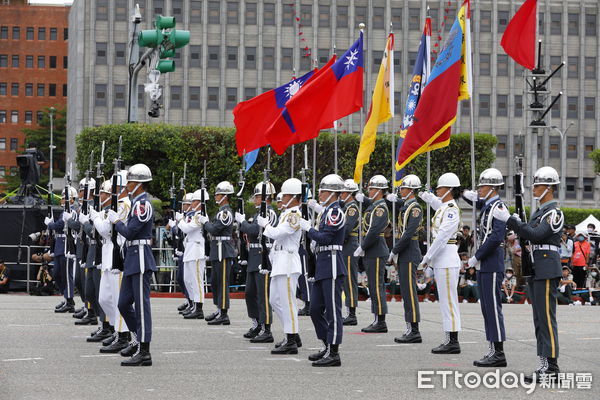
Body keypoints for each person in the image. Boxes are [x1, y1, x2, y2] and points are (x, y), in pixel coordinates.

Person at [494, 166, 564, 382]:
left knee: (546, 319)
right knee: (538, 319)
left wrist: (512, 220)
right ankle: (544, 363)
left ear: (549, 188)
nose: (534, 188)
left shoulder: (554, 213)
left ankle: (551, 367)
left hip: (546, 268)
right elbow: (528, 234)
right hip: (536, 268)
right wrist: (517, 223)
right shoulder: (539, 212)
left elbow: (535, 234)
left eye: (538, 184)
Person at [107, 163, 157, 367]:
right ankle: (138, 339)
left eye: (129, 181)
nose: (127, 184)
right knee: (123, 303)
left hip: (141, 257)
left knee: (142, 306)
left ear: (138, 183)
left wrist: (117, 222)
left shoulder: (142, 204)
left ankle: (144, 351)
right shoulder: (136, 203)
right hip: (132, 257)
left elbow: (131, 231)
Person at [298, 175, 346, 367]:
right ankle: (327, 344)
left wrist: (308, 229)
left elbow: (326, 238)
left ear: (333, 193)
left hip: (332, 263)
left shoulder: (335, 213)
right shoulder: (326, 212)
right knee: (316, 309)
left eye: (323, 191)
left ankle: (334, 352)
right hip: (322, 264)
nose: (320, 194)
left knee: (333, 311)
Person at [463, 168, 508, 367]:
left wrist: (476, 257)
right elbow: (477, 202)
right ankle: (492, 348)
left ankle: (499, 353)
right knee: (486, 308)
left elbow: (496, 237)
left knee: (492, 308)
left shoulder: (498, 207)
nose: (479, 189)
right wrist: (464, 194)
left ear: (492, 187)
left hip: (491, 262)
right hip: (485, 264)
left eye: (482, 186)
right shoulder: (488, 205)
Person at [257, 178, 304, 354]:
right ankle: (293, 333)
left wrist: (266, 224)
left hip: (288, 263)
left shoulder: (294, 215)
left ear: (293, 197)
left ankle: (291, 340)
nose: (281, 198)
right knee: (275, 300)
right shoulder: (286, 213)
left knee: (288, 302)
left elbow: (278, 233)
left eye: (285, 195)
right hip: (280, 262)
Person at [418, 172, 462, 354]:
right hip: (442, 260)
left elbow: (442, 236)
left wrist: (427, 258)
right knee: (445, 300)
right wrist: (424, 195)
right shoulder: (445, 207)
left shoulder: (451, 210)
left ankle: (453, 341)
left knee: (449, 301)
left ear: (449, 190)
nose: (437, 190)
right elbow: (437, 204)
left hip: (446, 259)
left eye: (440, 188)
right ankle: (449, 338)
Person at [90, 173, 131, 350]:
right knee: (104, 299)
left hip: (118, 256)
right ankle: (117, 330)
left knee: (117, 299)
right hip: (108, 255)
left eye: (111, 190)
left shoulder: (125, 206)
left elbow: (105, 230)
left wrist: (95, 217)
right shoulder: (115, 206)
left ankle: (123, 335)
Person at [235, 182, 277, 342]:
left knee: (262, 295)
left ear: (266, 197)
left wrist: (243, 222)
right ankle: (256, 323)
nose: (255, 199)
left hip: (262, 256)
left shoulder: (269, 213)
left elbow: (254, 230)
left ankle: (267, 328)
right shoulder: (259, 213)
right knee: (250, 293)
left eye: (258, 196)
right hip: (253, 256)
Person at [387, 174, 423, 344]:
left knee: (410, 292)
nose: (401, 191)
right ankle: (410, 327)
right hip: (405, 253)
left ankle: (414, 330)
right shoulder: (407, 206)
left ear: (411, 190)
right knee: (405, 292)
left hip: (409, 253)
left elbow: (408, 233)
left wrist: (394, 250)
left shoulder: (415, 208)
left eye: (403, 188)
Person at [354, 175, 390, 333]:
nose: (369, 191)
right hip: (372, 251)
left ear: (380, 191)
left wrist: (362, 246)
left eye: (372, 188)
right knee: (373, 286)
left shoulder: (381, 208)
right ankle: (377, 318)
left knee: (377, 287)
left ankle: (380, 321)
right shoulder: (375, 205)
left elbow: (374, 230)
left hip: (376, 250)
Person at [201, 181, 236, 325]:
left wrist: (205, 222)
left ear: (225, 196)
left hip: (223, 250)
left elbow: (215, 229)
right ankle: (219, 308)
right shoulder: (221, 212)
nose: (215, 196)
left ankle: (224, 313)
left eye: (218, 194)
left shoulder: (226, 213)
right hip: (217, 249)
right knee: (215, 281)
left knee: (222, 282)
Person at [173, 188, 211, 320]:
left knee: (197, 281)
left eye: (194, 200)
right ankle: (193, 305)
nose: (192, 203)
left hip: (196, 251)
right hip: (189, 249)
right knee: (188, 280)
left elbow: (187, 228)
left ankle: (199, 308)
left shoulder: (201, 216)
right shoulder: (194, 215)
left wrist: (180, 220)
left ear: (201, 202)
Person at [45, 185, 79, 313]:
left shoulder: (71, 211)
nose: (62, 200)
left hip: (66, 245)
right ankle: (66, 297)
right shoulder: (64, 212)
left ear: (71, 200)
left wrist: (49, 223)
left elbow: (60, 225)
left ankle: (70, 300)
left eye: (65, 198)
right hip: (59, 245)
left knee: (66, 274)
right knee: (57, 273)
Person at [336, 179, 360, 326]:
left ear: (350, 193)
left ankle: (352, 314)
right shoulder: (346, 207)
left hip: (349, 246)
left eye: (343, 192)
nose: (341, 195)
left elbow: (347, 229)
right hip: (345, 246)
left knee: (350, 280)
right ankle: (348, 311)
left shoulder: (352, 208)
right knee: (345, 280)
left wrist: (336, 240)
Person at [171, 193, 193, 313]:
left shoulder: (190, 216)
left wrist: (176, 224)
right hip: (183, 250)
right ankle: (188, 299)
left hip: (189, 250)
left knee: (187, 278)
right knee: (181, 277)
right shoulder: (185, 216)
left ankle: (191, 301)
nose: (183, 206)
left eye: (185, 204)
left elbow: (182, 230)